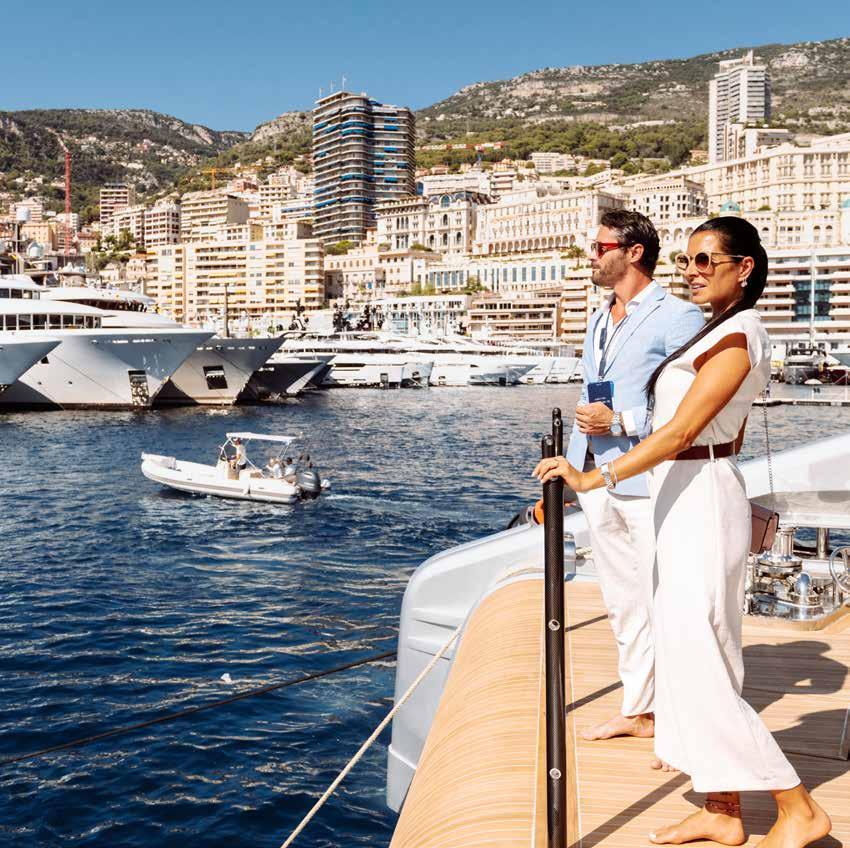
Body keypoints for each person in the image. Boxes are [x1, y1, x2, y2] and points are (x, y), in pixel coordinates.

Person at [534, 217, 831, 848]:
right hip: (681, 492)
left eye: (706, 260)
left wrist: (593, 478)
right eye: (688, 260)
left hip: (701, 496)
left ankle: (796, 805)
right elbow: (708, 425)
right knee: (686, 655)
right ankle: (721, 806)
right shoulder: (714, 330)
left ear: (744, 268)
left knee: (700, 655)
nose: (692, 271)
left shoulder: (740, 334)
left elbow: (679, 432)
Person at [563, 209, 704, 743]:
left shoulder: (678, 317)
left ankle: (681, 717)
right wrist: (573, 472)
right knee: (622, 601)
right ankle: (639, 708)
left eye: (600, 248)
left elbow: (690, 407)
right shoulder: (599, 318)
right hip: (598, 478)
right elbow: (588, 395)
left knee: (663, 598)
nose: (592, 256)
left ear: (633, 252)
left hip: (648, 478)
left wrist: (621, 421)